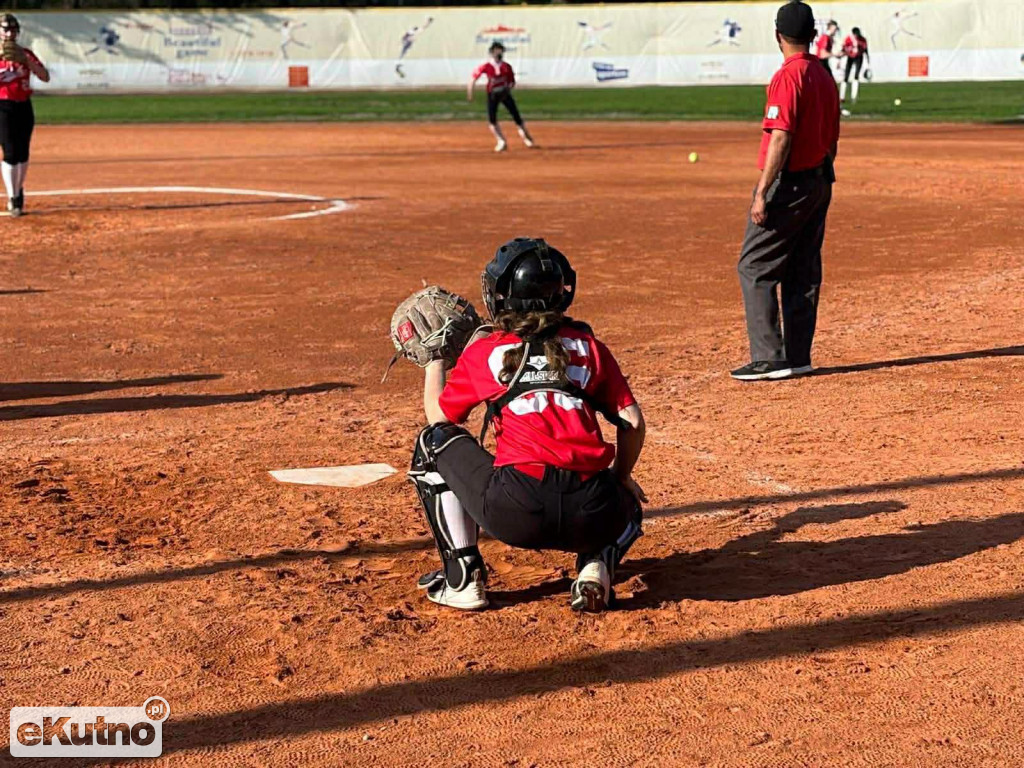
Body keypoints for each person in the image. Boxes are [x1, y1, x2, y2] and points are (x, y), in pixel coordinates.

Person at [411, 238, 646, 612]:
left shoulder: (486, 351)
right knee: (627, 501)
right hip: (592, 513)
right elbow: (632, 421)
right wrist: (621, 476)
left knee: (432, 443)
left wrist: (433, 361)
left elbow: (441, 421)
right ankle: (595, 567)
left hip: (516, 510)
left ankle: (463, 581)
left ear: (503, 297)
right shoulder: (588, 346)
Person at [732, 1, 840, 381]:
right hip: (820, 179)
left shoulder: (788, 76)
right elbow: (832, 137)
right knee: (802, 269)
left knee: (755, 266)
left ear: (778, 35)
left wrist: (763, 191)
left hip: (790, 181)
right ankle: (797, 356)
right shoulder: (824, 75)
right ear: (812, 35)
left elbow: (781, 136)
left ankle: (769, 357)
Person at [0, 14, 48, 218]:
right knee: (10, 152)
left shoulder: (25, 53)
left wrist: (27, 61)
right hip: (3, 106)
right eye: (5, 29)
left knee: (22, 153)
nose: (10, 33)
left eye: (13, 29)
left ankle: (18, 190)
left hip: (24, 106)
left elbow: (45, 76)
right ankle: (13, 198)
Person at [467, 42, 535, 153]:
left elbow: (511, 82)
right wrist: (470, 92)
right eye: (497, 51)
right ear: (492, 52)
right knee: (492, 119)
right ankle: (501, 141)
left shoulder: (506, 66)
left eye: (501, 51)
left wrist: (507, 88)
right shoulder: (487, 66)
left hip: (504, 93)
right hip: (492, 94)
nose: (499, 53)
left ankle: (526, 136)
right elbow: (473, 78)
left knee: (516, 115)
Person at [840, 27, 870, 105]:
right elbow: (843, 48)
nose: (857, 36)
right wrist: (840, 59)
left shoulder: (862, 39)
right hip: (850, 57)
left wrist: (868, 62)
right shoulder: (849, 38)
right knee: (846, 76)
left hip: (859, 58)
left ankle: (854, 97)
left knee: (856, 76)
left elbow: (865, 50)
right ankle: (842, 97)